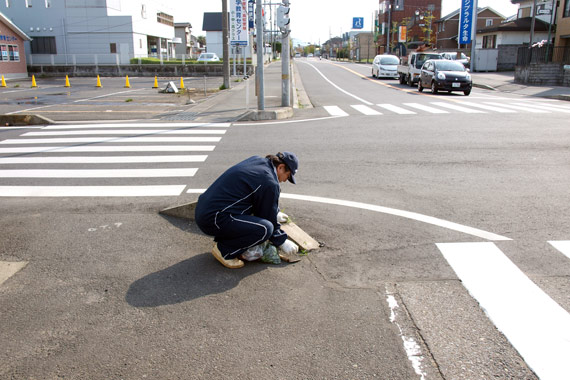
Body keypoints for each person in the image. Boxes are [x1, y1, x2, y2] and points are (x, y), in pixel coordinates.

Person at [195, 152, 300, 268]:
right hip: (213, 219)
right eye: (288, 176)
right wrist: (281, 241)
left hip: (205, 209)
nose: (285, 180)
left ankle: (226, 239)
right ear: (280, 167)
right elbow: (267, 217)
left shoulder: (257, 161)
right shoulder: (270, 182)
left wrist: (275, 211)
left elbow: (257, 196)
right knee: (265, 229)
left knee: (253, 216)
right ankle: (225, 251)